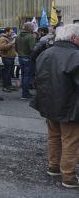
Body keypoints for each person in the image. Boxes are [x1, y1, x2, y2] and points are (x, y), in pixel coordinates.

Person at [30, 24, 79, 188]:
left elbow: (39, 78)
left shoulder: (45, 53)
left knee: (54, 137)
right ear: (73, 38)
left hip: (49, 104)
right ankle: (69, 176)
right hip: (70, 106)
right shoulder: (75, 55)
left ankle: (53, 166)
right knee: (70, 140)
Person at [15, 22, 36, 100]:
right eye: (33, 27)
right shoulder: (30, 36)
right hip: (28, 58)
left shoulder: (17, 36)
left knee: (23, 75)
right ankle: (25, 94)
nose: (34, 28)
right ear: (29, 28)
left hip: (21, 57)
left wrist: (20, 54)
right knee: (27, 76)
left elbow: (16, 48)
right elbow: (32, 49)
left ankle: (25, 93)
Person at [0, 27, 17, 92]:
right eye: (11, 32)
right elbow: (3, 47)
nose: (12, 33)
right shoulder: (2, 38)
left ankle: (9, 86)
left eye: (12, 32)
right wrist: (12, 43)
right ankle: (5, 87)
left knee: (9, 73)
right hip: (6, 58)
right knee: (6, 73)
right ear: (7, 32)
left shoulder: (9, 38)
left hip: (11, 57)